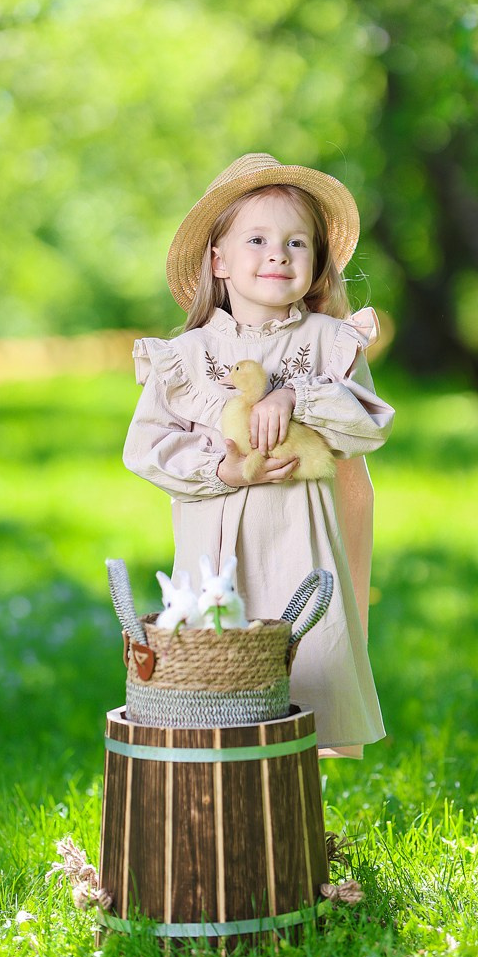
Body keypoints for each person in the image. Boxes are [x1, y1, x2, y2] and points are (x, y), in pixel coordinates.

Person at [123, 153, 395, 757]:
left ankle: (294, 819)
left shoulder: (330, 344)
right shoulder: (187, 357)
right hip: (215, 556)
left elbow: (366, 429)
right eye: (257, 239)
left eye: (297, 242)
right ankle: (220, 813)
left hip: (301, 549)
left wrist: (295, 396)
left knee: (305, 674)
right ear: (218, 261)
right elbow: (145, 447)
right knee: (222, 684)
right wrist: (221, 467)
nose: (278, 254)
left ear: (317, 264)